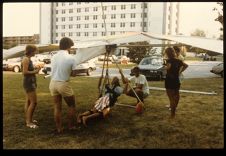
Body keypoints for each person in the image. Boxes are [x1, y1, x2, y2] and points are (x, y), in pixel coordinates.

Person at [49, 37, 78, 134]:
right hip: (63, 83)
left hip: (53, 83)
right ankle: (71, 126)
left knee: (57, 107)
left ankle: (59, 128)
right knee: (71, 105)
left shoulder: (54, 56)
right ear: (69, 46)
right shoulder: (71, 58)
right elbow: (73, 74)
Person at [164, 47, 188, 119]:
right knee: (176, 95)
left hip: (169, 80)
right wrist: (179, 72)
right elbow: (186, 65)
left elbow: (168, 68)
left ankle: (172, 114)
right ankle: (175, 109)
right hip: (176, 80)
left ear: (167, 53)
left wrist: (165, 67)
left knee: (171, 98)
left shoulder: (168, 60)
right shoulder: (178, 60)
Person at [21, 45, 41, 129]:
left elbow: (28, 70)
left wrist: (35, 68)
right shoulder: (26, 59)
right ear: (31, 51)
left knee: (29, 102)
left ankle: (29, 119)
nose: (35, 52)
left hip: (30, 82)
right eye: (35, 51)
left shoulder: (28, 59)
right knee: (34, 102)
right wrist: (35, 71)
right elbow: (24, 72)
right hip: (29, 83)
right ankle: (29, 122)